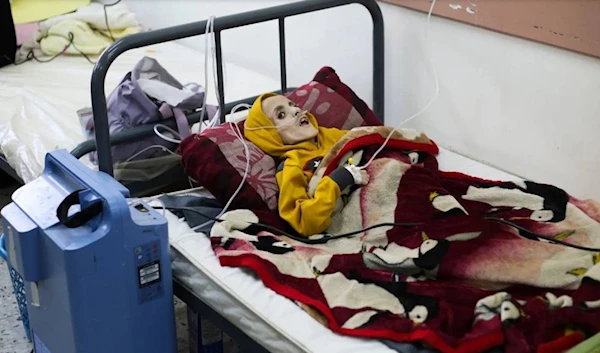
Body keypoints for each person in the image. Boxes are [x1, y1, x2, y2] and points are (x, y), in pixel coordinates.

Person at [244, 93, 368, 237]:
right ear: (269, 136)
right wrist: (338, 180)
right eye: (281, 114)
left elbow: (376, 138)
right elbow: (304, 222)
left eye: (294, 105)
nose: (296, 111)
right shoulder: (292, 165)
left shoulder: (328, 135)